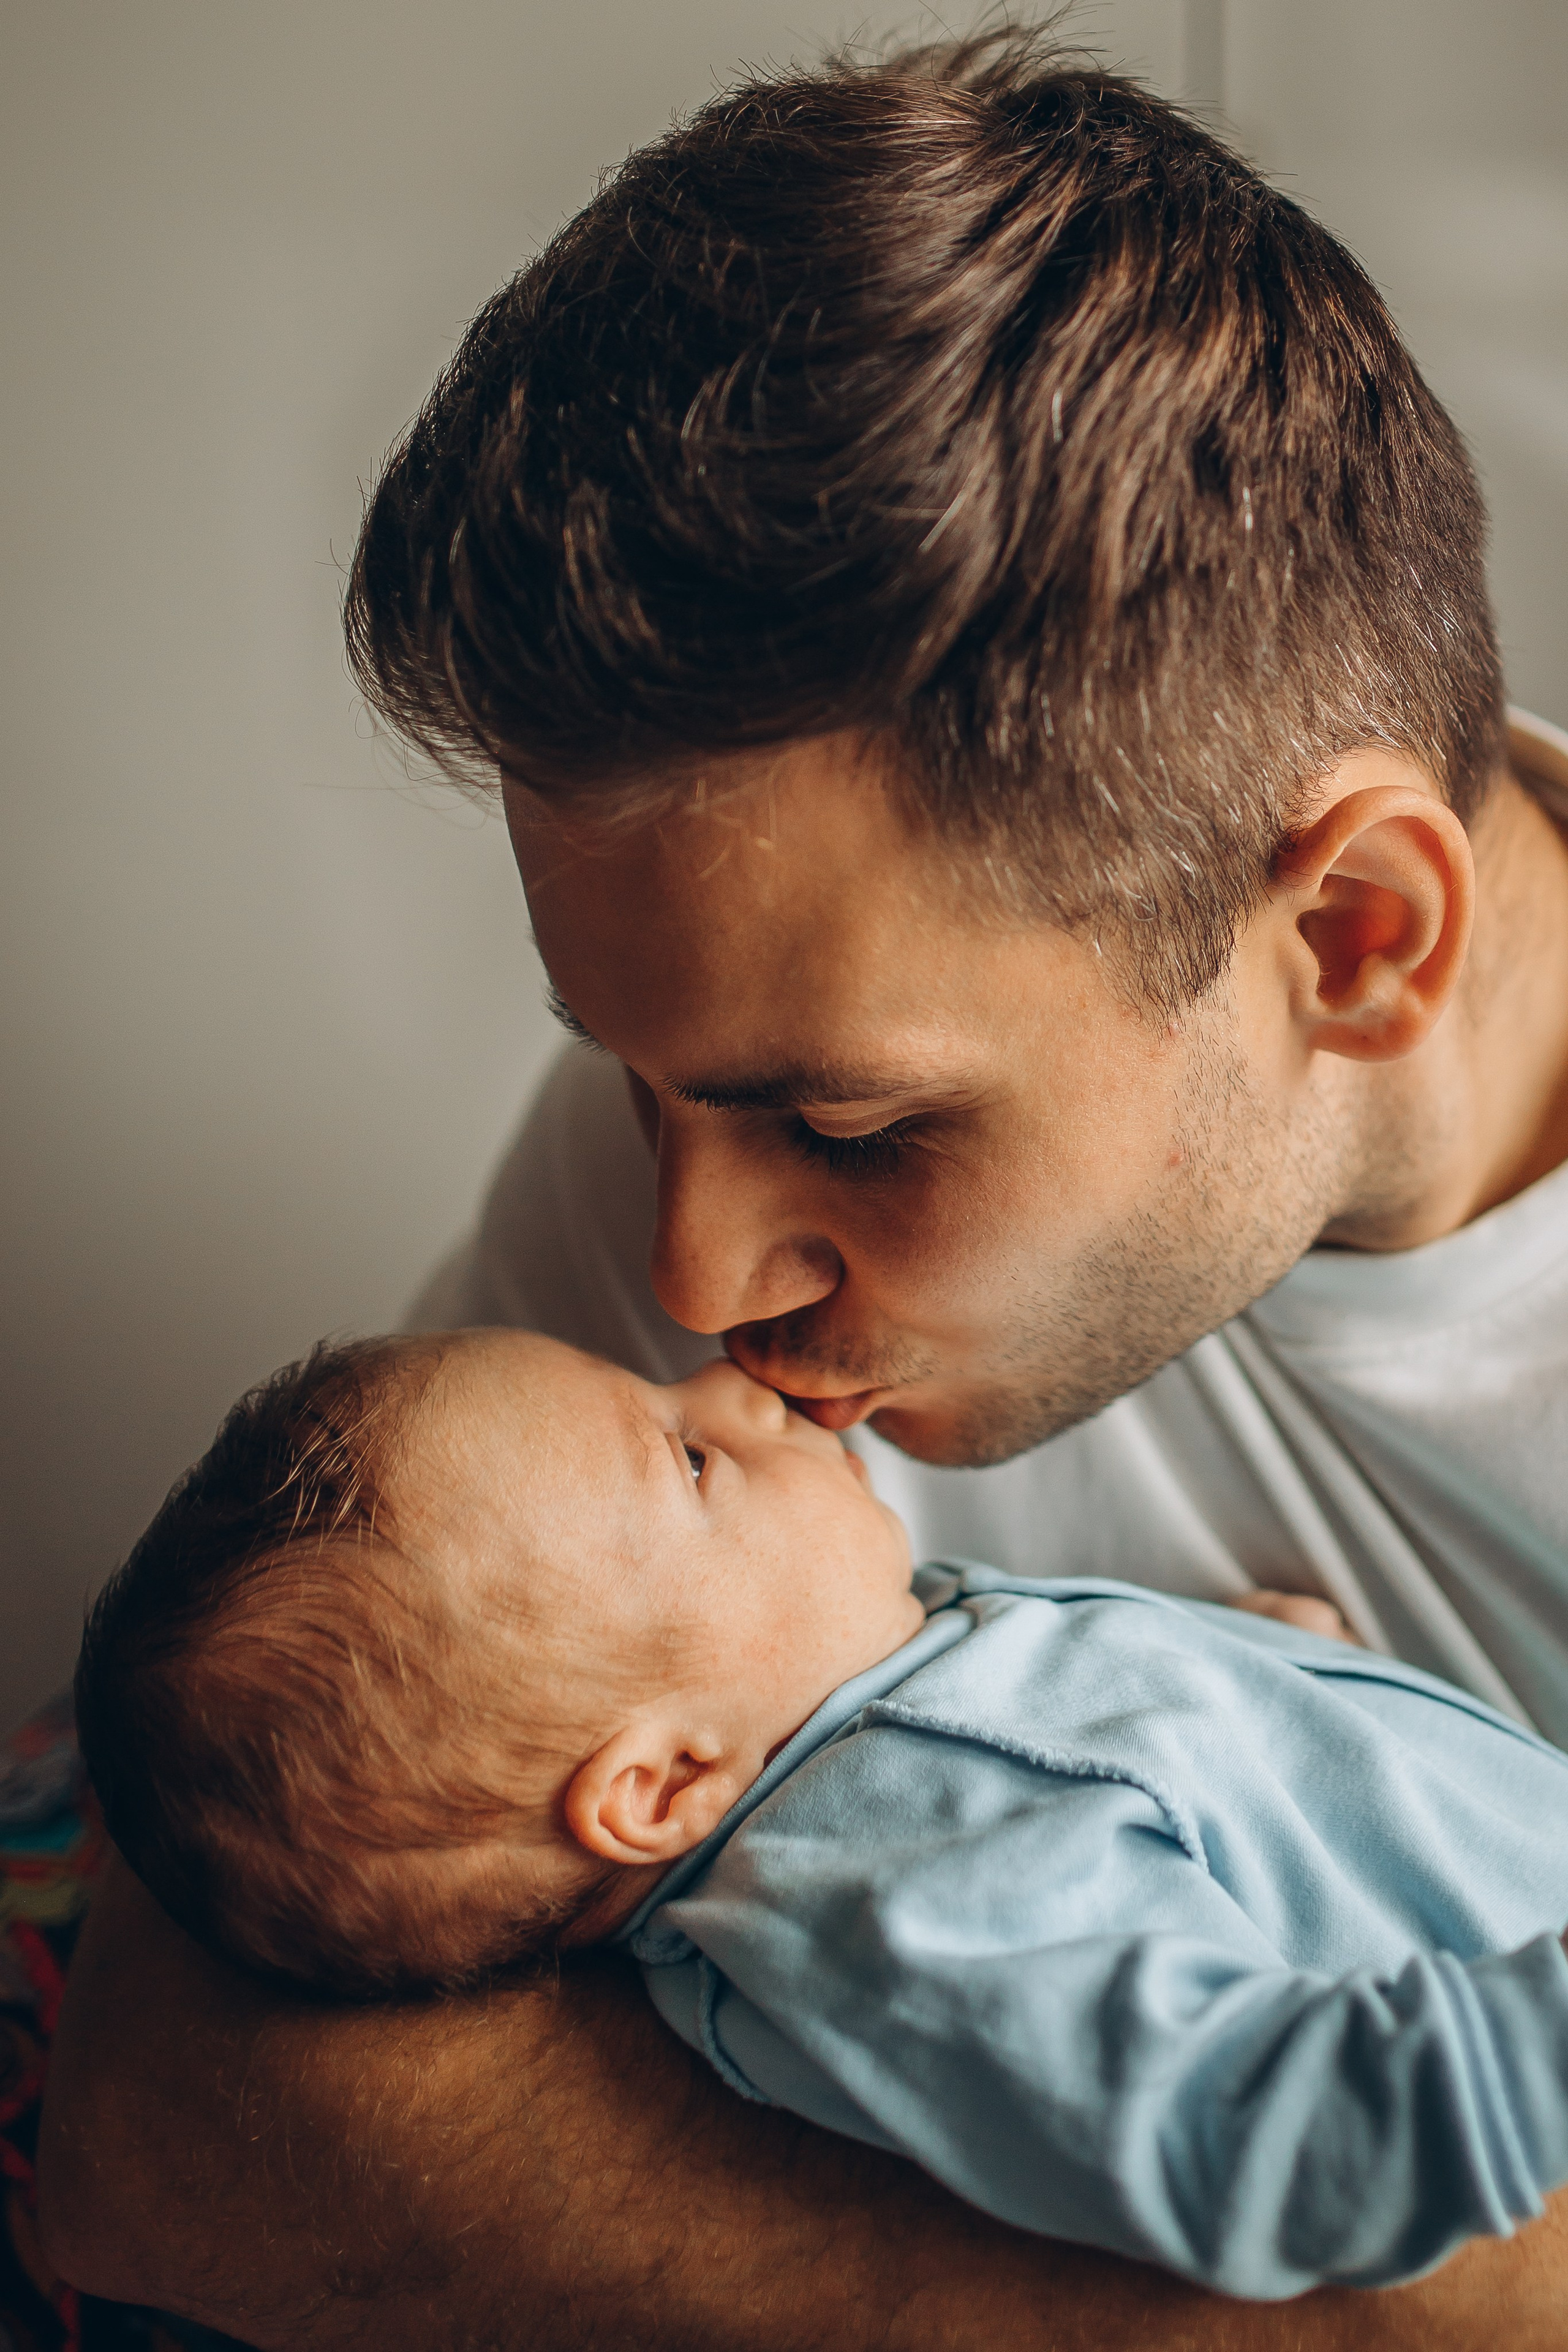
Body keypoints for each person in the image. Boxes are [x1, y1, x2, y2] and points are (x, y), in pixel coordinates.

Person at [39, 31, 1568, 2348]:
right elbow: (173, 2103)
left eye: (854, 1128)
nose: (686, 1271)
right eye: (640, 1088)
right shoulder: (700, 1165)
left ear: (1357, 938)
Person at [69, 1328, 1568, 2301]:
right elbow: (1270, 2138)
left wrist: (1268, 1680)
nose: (738, 1380)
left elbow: (1117, 1781)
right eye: (691, 1455)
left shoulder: (865, 1714)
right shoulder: (895, 1895)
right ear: (659, 1785)